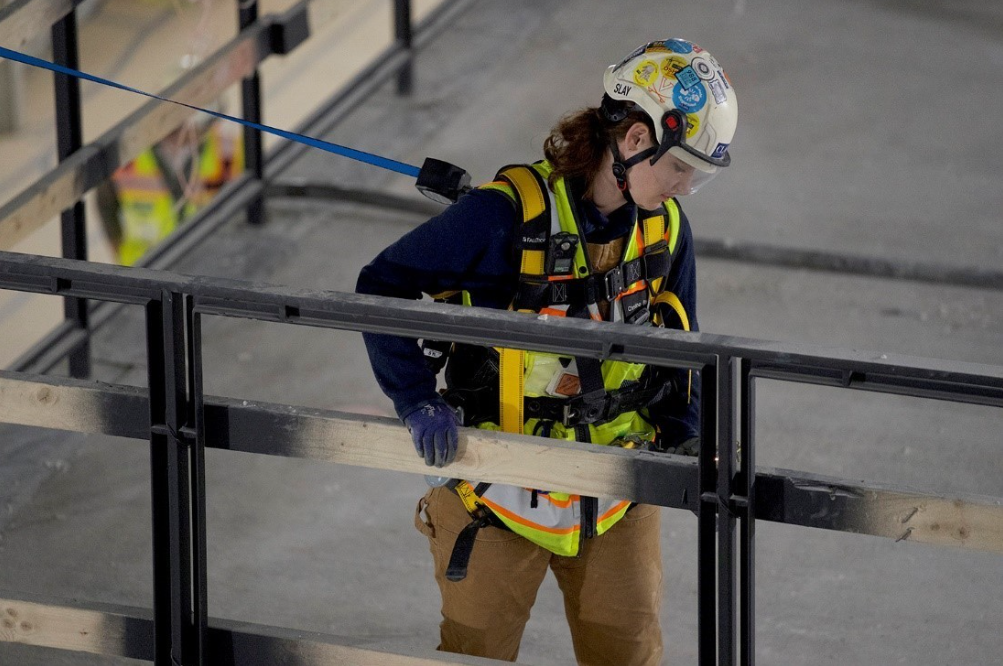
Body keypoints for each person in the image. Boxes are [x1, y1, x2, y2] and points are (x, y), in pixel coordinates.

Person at [357, 39, 738, 665]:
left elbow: (681, 338)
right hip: (496, 487)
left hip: (617, 491)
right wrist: (416, 400)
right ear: (638, 140)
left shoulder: (665, 228)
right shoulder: (504, 218)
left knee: (630, 655)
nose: (687, 187)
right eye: (682, 166)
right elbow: (380, 285)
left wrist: (687, 436)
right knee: (474, 654)